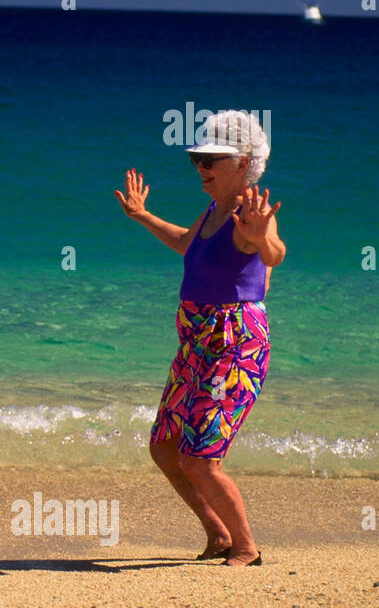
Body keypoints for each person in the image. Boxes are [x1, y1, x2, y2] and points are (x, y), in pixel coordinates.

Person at [116, 110, 285, 567]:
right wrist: (144, 217)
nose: (201, 168)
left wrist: (262, 237)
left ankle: (247, 547)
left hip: (234, 346)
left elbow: (274, 252)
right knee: (165, 447)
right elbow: (187, 244)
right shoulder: (214, 209)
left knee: (201, 459)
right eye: (196, 159)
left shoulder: (252, 212)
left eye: (211, 158)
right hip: (196, 345)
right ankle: (218, 534)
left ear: (244, 161)